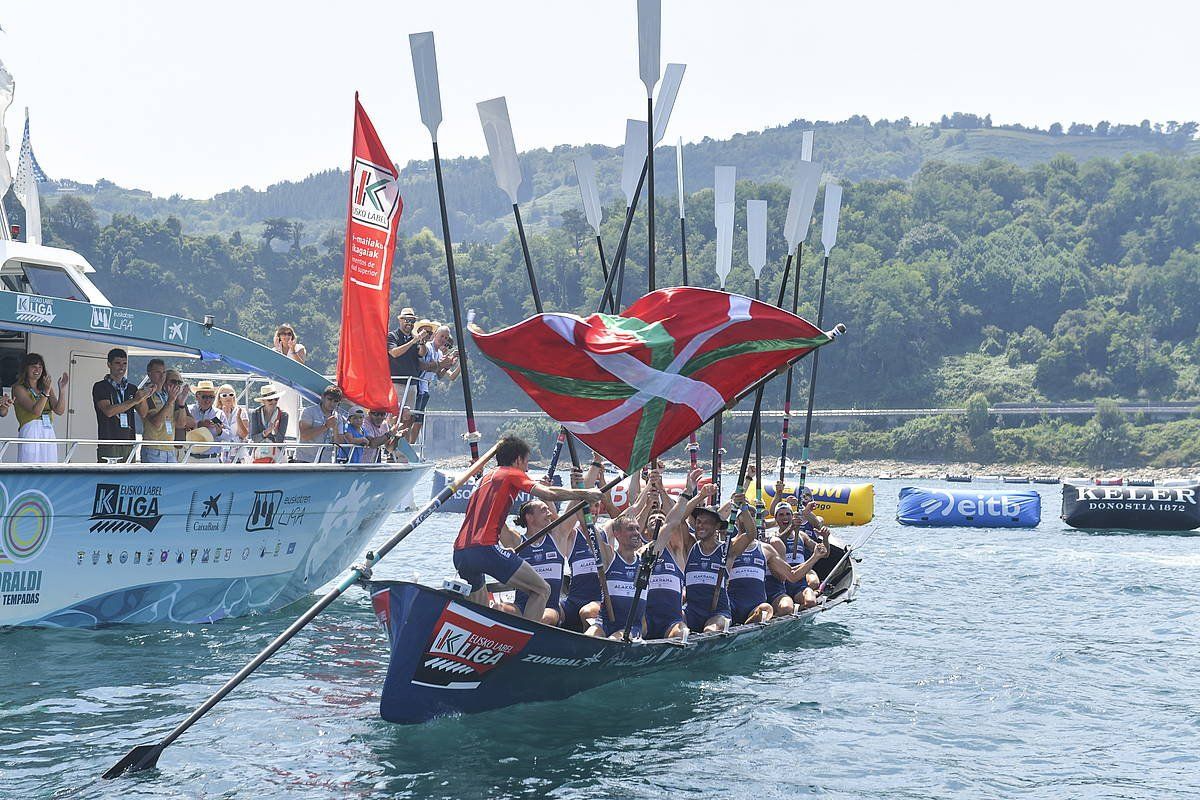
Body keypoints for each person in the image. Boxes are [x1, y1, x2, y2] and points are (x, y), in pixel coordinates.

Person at [452, 435, 602, 622]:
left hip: (459, 553)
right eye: (526, 462)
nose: (527, 468)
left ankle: (480, 639)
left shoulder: (483, 480)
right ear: (518, 460)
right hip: (484, 550)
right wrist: (585, 493)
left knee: (482, 613)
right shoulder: (511, 473)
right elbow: (547, 493)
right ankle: (526, 641)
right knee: (542, 589)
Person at [642, 473, 720, 640]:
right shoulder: (640, 553)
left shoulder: (676, 548)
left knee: (683, 633)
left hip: (671, 621)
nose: (657, 520)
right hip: (645, 619)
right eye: (653, 517)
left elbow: (675, 519)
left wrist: (691, 493)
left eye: (660, 518)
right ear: (645, 530)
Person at [92, 347, 151, 463]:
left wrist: (144, 395)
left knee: (128, 479)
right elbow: (108, 411)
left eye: (124, 363)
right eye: (117, 363)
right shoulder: (100, 386)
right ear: (109, 364)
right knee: (109, 479)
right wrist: (134, 400)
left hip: (129, 442)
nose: (122, 367)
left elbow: (143, 413)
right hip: (109, 442)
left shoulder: (132, 388)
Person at [11, 353, 68, 463]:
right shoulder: (18, 388)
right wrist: (46, 392)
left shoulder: (46, 387)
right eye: (33, 366)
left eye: (40, 367)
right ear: (25, 368)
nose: (37, 369)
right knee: (30, 465)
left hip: (48, 429)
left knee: (49, 465)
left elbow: (59, 410)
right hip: (30, 430)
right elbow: (36, 411)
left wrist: (62, 390)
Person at [135, 364, 190, 464]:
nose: (176, 385)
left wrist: (181, 404)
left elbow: (181, 424)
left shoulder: (172, 397)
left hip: (170, 449)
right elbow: (156, 423)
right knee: (154, 480)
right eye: (173, 381)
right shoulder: (147, 394)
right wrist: (169, 402)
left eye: (179, 382)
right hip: (153, 449)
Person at [387, 307, 427, 417]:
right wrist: (413, 341)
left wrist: (422, 342)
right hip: (397, 382)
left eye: (412, 321)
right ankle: (392, 433)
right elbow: (394, 353)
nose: (409, 323)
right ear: (400, 320)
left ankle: (404, 434)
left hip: (412, 383)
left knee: (408, 416)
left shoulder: (415, 338)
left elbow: (422, 354)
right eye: (407, 320)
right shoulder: (392, 336)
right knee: (395, 414)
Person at [295, 385, 344, 463]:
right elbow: (304, 436)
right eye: (329, 399)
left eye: (336, 401)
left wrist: (335, 428)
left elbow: (339, 444)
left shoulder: (339, 418)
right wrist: (326, 426)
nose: (332, 403)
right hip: (305, 460)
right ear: (323, 398)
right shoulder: (308, 412)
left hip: (326, 462)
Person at [248, 384, 289, 462]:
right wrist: (266, 432)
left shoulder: (284, 415)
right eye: (270, 400)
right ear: (263, 401)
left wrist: (275, 431)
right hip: (259, 454)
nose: (273, 401)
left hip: (277, 455)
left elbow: (280, 440)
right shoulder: (255, 413)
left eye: (276, 399)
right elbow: (254, 438)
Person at [185, 380, 224, 462]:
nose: (208, 400)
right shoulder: (188, 410)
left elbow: (230, 436)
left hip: (212, 459)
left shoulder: (219, 414)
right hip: (190, 458)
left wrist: (220, 432)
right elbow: (180, 428)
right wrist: (198, 424)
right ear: (196, 396)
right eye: (204, 397)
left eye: (211, 397)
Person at [214, 383, 249, 463]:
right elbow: (216, 434)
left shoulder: (241, 411)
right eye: (224, 395)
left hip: (238, 454)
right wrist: (224, 417)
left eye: (231, 394)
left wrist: (238, 418)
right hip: (220, 454)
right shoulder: (215, 413)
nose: (228, 397)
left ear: (234, 396)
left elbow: (244, 435)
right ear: (219, 398)